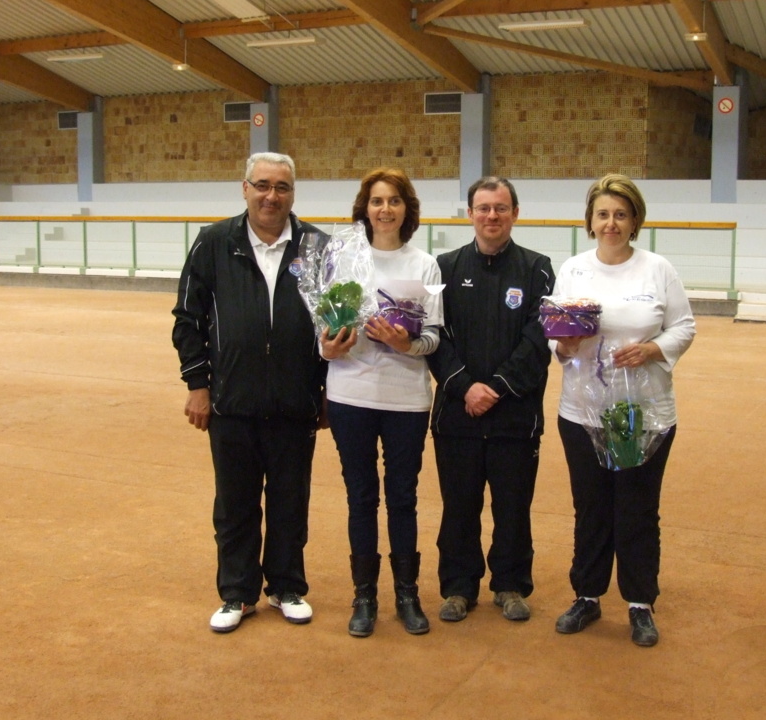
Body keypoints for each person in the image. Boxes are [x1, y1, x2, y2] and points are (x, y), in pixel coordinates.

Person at [171, 152, 326, 634]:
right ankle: (237, 593)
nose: (271, 196)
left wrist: (325, 390)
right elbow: (188, 319)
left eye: (282, 187)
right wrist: (198, 386)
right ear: (244, 188)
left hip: (295, 402)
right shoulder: (214, 242)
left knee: (289, 500)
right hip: (232, 402)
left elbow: (333, 321)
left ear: (293, 194)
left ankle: (285, 585)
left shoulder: (317, 245)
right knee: (235, 503)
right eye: (262, 185)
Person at [550, 173, 695, 647]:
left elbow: (684, 327)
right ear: (589, 221)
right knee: (590, 508)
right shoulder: (573, 269)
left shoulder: (658, 269)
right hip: (582, 412)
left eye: (620, 214)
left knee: (636, 508)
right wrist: (565, 346)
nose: (611, 223)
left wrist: (653, 350)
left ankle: (639, 602)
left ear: (635, 221)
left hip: (644, 414)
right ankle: (587, 596)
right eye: (603, 214)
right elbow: (557, 336)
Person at [319, 168, 443, 637]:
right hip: (350, 394)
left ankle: (407, 594)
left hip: (406, 398)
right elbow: (322, 331)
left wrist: (405, 344)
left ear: (406, 209)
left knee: (403, 498)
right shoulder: (342, 260)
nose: (385, 209)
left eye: (393, 201)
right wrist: (328, 347)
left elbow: (433, 336)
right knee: (361, 497)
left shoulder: (425, 265)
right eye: (376, 201)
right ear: (364, 208)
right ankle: (364, 597)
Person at [427, 176, 554, 625]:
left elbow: (540, 340)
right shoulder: (442, 267)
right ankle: (459, 588)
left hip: (514, 416)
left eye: (501, 208)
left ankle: (511, 585)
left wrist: (497, 387)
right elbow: (434, 336)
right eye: (483, 208)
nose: (492, 216)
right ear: (470, 214)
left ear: (515, 213)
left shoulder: (538, 268)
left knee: (513, 507)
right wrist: (465, 387)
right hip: (458, 414)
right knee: (459, 506)